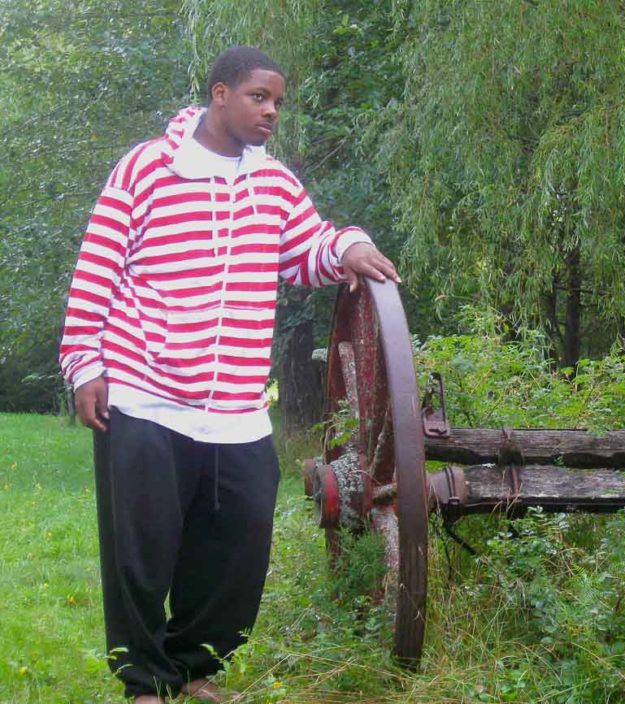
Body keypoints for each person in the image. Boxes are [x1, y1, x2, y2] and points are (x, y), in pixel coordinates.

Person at [59, 47, 400, 703]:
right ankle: (145, 682)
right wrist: (84, 363)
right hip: (145, 391)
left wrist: (350, 244)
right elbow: (98, 267)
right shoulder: (147, 168)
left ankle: (194, 667)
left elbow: (307, 251)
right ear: (220, 94)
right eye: (258, 97)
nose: (271, 112)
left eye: (278, 102)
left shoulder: (273, 183)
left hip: (237, 407)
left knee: (237, 545)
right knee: (141, 550)